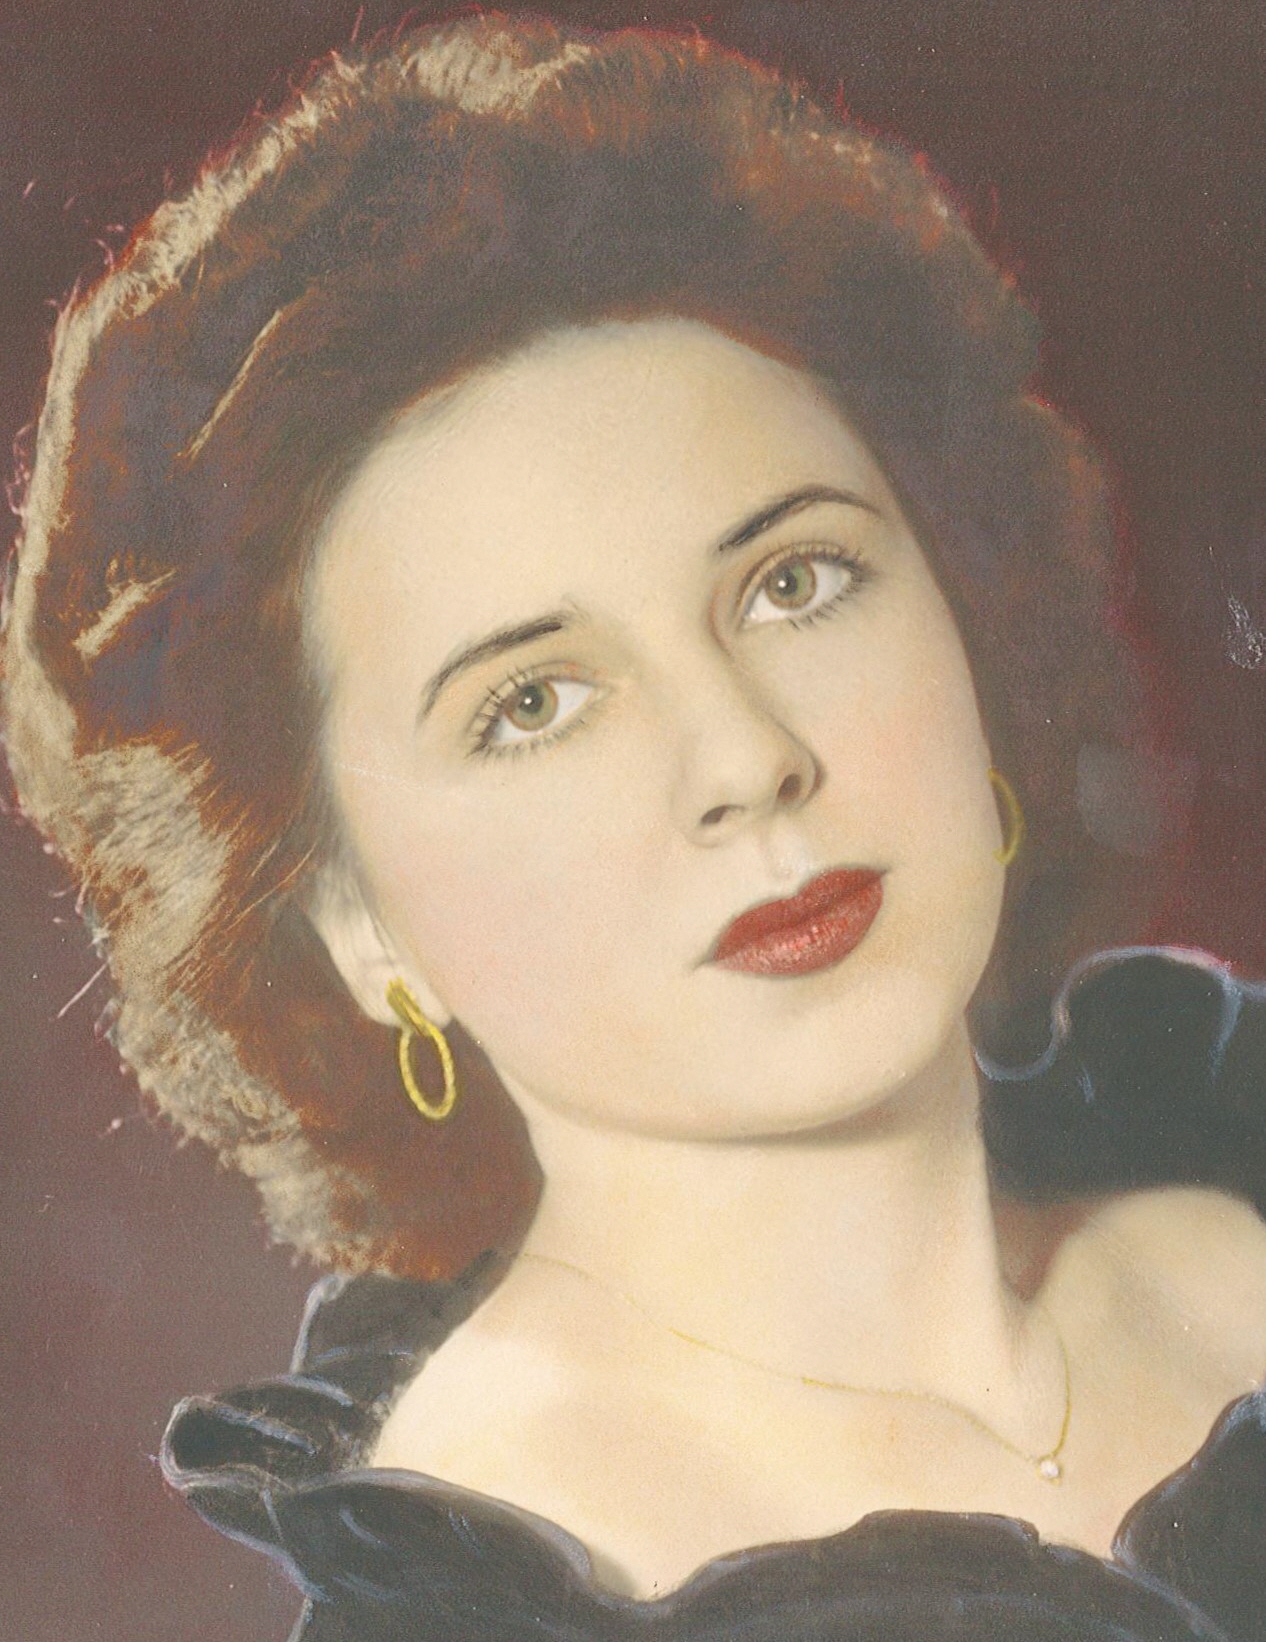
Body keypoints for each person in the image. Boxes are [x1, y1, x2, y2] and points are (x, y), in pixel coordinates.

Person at [5, 14, 1266, 1639]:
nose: (744, 757)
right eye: (532, 702)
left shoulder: (1221, 1173)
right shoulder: (500, 1597)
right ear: (350, 923)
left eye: (794, 580)